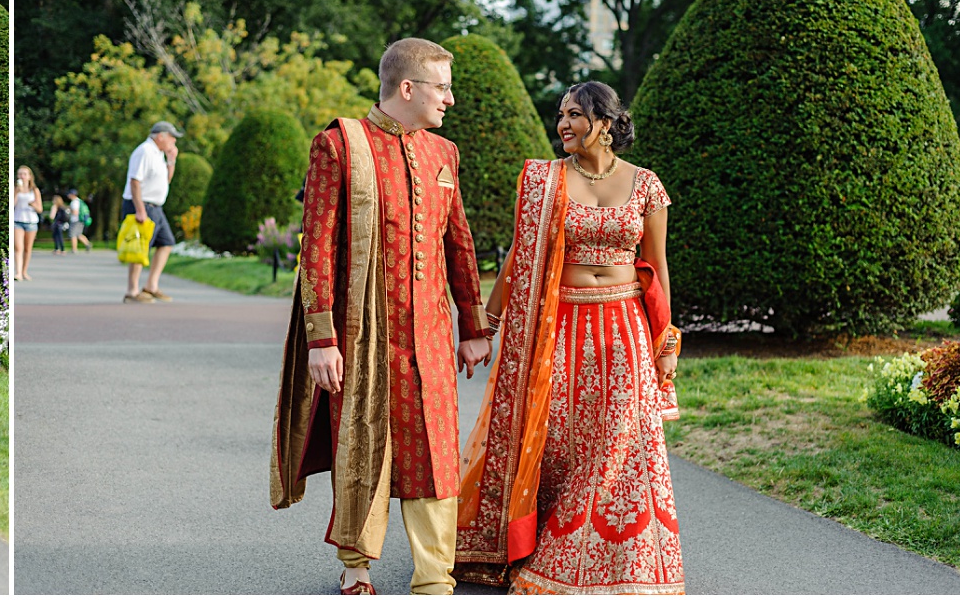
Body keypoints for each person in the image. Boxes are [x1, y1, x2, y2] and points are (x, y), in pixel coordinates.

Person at [272, 39, 491, 597]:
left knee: (437, 450)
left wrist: (472, 327)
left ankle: (434, 578)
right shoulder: (340, 146)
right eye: (442, 87)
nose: (451, 98)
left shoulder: (444, 154)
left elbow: (458, 244)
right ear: (409, 88)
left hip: (433, 335)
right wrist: (322, 338)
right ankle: (356, 567)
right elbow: (315, 247)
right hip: (362, 332)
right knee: (362, 442)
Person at [454, 83, 683, 595]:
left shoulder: (646, 185)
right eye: (560, 115)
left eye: (575, 114)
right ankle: (547, 548)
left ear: (605, 122)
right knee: (559, 444)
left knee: (624, 442)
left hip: (625, 331)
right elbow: (519, 255)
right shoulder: (544, 180)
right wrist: (485, 324)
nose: (562, 124)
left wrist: (666, 346)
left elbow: (659, 271)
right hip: (558, 328)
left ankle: (622, 566)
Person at [122, 120, 180, 302]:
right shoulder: (145, 151)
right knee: (140, 249)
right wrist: (140, 210)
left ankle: (150, 286)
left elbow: (166, 182)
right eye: (172, 138)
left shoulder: (159, 154)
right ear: (160, 136)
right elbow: (135, 181)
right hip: (141, 205)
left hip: (156, 207)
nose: (174, 142)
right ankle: (132, 292)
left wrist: (171, 161)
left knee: (166, 242)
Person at [12, 167, 42, 281]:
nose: (22, 176)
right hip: (17, 220)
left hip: (31, 222)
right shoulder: (15, 189)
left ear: (29, 176)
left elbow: (40, 209)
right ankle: (18, 272)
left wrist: (33, 205)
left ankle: (24, 271)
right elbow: (12, 205)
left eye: (24, 174)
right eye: (19, 174)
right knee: (18, 247)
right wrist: (16, 193)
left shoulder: (34, 190)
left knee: (27, 249)